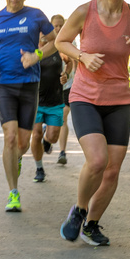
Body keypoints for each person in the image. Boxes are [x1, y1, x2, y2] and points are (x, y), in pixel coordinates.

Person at [56, 0, 130, 246]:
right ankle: (80, 210)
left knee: (112, 169)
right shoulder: (85, 11)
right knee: (97, 160)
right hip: (85, 96)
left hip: (119, 99)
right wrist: (82, 56)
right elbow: (62, 41)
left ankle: (92, 224)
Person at [0, 0, 57, 212]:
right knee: (10, 137)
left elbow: (56, 41)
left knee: (23, 143)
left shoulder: (35, 16)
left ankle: (16, 159)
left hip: (29, 84)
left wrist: (36, 55)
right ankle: (13, 193)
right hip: (4, 84)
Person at [29, 14, 67, 183]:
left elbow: (70, 62)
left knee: (53, 137)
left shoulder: (59, 48)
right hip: (36, 101)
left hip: (55, 100)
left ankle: (47, 139)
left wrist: (66, 73)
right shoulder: (32, 51)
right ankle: (39, 168)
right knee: (35, 135)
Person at [55, 36, 77, 165]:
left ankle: (62, 152)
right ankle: (48, 134)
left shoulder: (70, 42)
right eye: (55, 26)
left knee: (63, 116)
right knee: (55, 118)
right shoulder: (47, 43)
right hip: (51, 88)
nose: (58, 28)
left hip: (68, 85)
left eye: (60, 25)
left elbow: (75, 61)